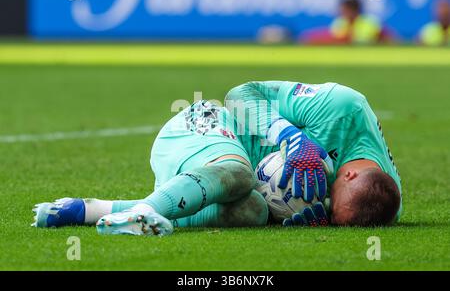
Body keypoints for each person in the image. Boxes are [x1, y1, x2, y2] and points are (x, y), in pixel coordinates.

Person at [32, 100, 331, 235]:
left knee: (253, 211)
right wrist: (288, 135)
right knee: (240, 173)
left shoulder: (346, 180)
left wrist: (317, 211)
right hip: (206, 124)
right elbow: (242, 94)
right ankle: (147, 209)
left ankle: (84, 211)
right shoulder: (334, 113)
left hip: (204, 174)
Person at [225, 81, 402, 227]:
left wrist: (293, 209)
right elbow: (238, 95)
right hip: (217, 134)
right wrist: (290, 136)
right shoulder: (341, 106)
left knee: (249, 212)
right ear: (350, 175)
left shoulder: (387, 206)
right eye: (331, 206)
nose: (327, 203)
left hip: (246, 180)